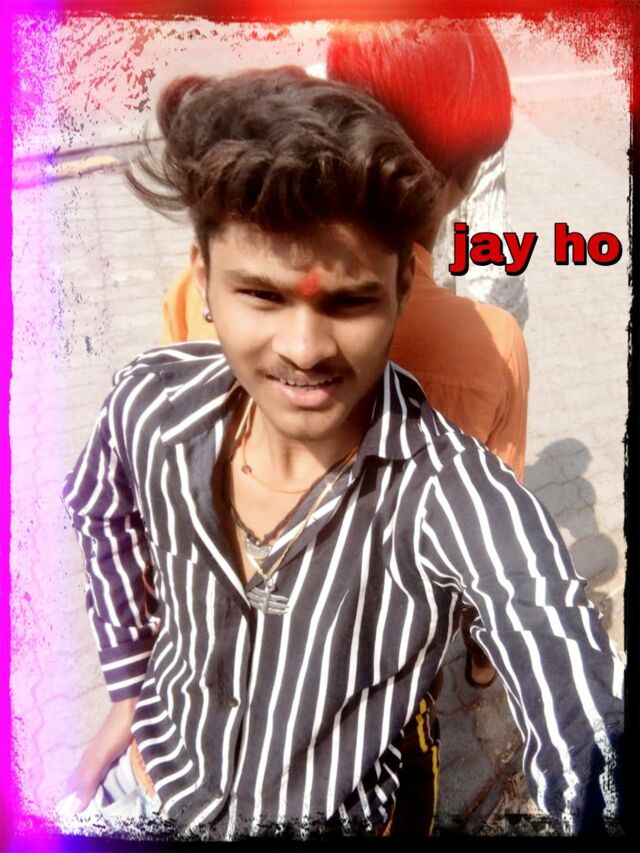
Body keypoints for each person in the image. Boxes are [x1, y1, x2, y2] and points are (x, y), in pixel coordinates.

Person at [60, 68, 623, 839]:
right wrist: (129, 684)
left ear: (401, 287)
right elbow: (101, 508)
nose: (304, 349)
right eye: (262, 294)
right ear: (204, 278)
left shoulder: (449, 493)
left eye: (350, 301)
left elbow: (558, 651)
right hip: (151, 789)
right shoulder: (153, 404)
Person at [161, 21, 529, 693]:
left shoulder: (198, 293)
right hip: (389, 660)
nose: (305, 349)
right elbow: (492, 539)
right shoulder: (491, 347)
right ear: (464, 177)